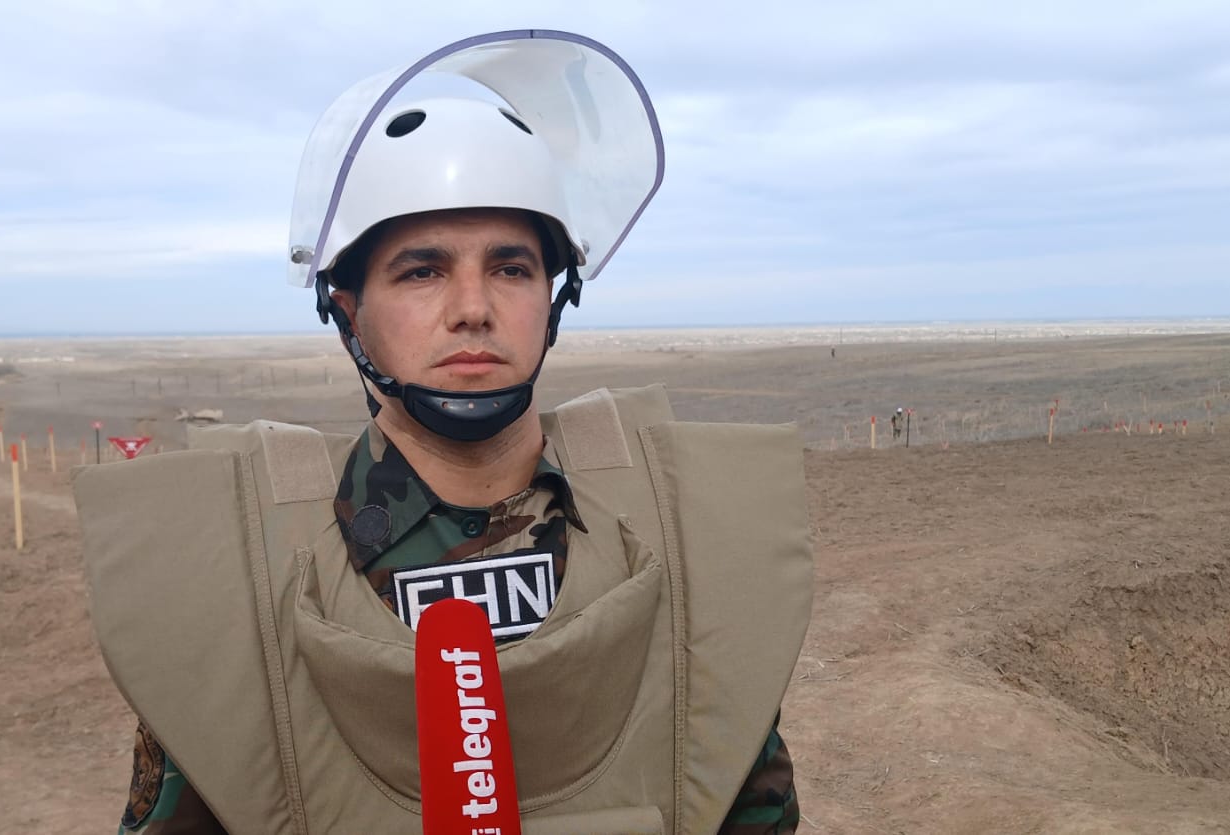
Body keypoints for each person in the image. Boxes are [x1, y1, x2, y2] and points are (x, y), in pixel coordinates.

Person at [73, 30, 813, 835]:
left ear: (554, 298)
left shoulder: (684, 533)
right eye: (422, 271)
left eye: (511, 268)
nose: (472, 308)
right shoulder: (242, 575)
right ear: (348, 310)